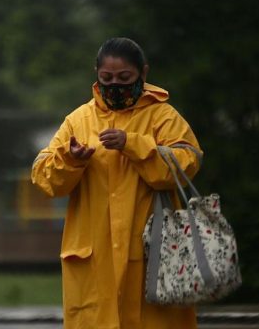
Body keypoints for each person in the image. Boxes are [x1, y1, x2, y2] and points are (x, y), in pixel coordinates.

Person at [31, 37, 203, 329]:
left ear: (143, 74)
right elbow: (45, 178)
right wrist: (72, 160)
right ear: (96, 74)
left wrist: (134, 144)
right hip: (94, 261)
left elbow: (187, 162)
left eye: (125, 78)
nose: (115, 86)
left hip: (153, 257)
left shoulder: (163, 116)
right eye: (106, 78)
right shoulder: (78, 120)